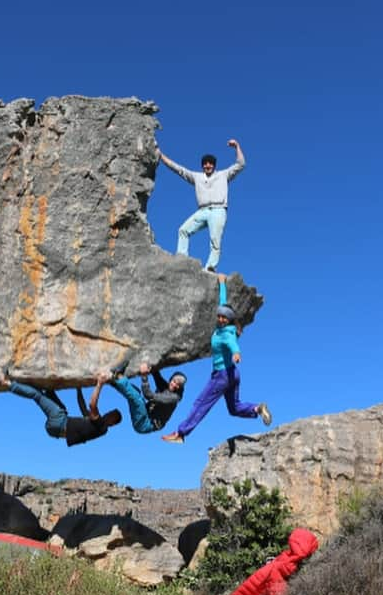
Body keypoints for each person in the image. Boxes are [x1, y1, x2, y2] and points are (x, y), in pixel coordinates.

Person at [162, 274, 271, 443]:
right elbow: (222, 302)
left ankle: (181, 433)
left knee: (201, 404)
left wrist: (236, 353)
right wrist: (222, 284)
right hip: (233, 374)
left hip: (222, 375)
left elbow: (233, 344)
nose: (220, 319)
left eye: (224, 318)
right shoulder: (221, 327)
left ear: (229, 320)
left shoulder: (227, 334)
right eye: (219, 316)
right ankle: (257, 409)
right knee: (234, 408)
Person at [158, 138, 246, 271]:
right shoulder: (197, 177)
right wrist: (161, 156)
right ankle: (182, 259)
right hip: (203, 211)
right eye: (205, 164)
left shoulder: (223, 175)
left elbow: (240, 164)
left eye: (210, 164)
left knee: (215, 242)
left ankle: (210, 267)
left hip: (218, 210)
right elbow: (179, 170)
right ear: (202, 166)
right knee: (183, 230)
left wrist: (237, 147)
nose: (207, 166)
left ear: (214, 165)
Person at [2, 369, 122, 446]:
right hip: (58, 425)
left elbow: (92, 405)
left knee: (37, 395)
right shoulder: (97, 425)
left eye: (112, 415)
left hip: (59, 423)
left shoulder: (102, 426)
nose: (108, 413)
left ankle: (8, 383)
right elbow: (83, 408)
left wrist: (99, 384)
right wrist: (78, 388)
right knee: (49, 392)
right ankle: (38, 384)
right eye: (111, 412)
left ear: (113, 423)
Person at [104, 358, 186, 434]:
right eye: (174, 381)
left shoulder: (173, 398)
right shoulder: (165, 386)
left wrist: (144, 376)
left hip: (145, 424)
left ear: (180, 388)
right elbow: (156, 374)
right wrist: (149, 360)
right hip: (147, 414)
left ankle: (116, 376)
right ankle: (113, 382)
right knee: (135, 391)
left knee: (136, 399)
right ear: (171, 379)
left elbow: (148, 395)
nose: (174, 385)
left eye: (178, 385)